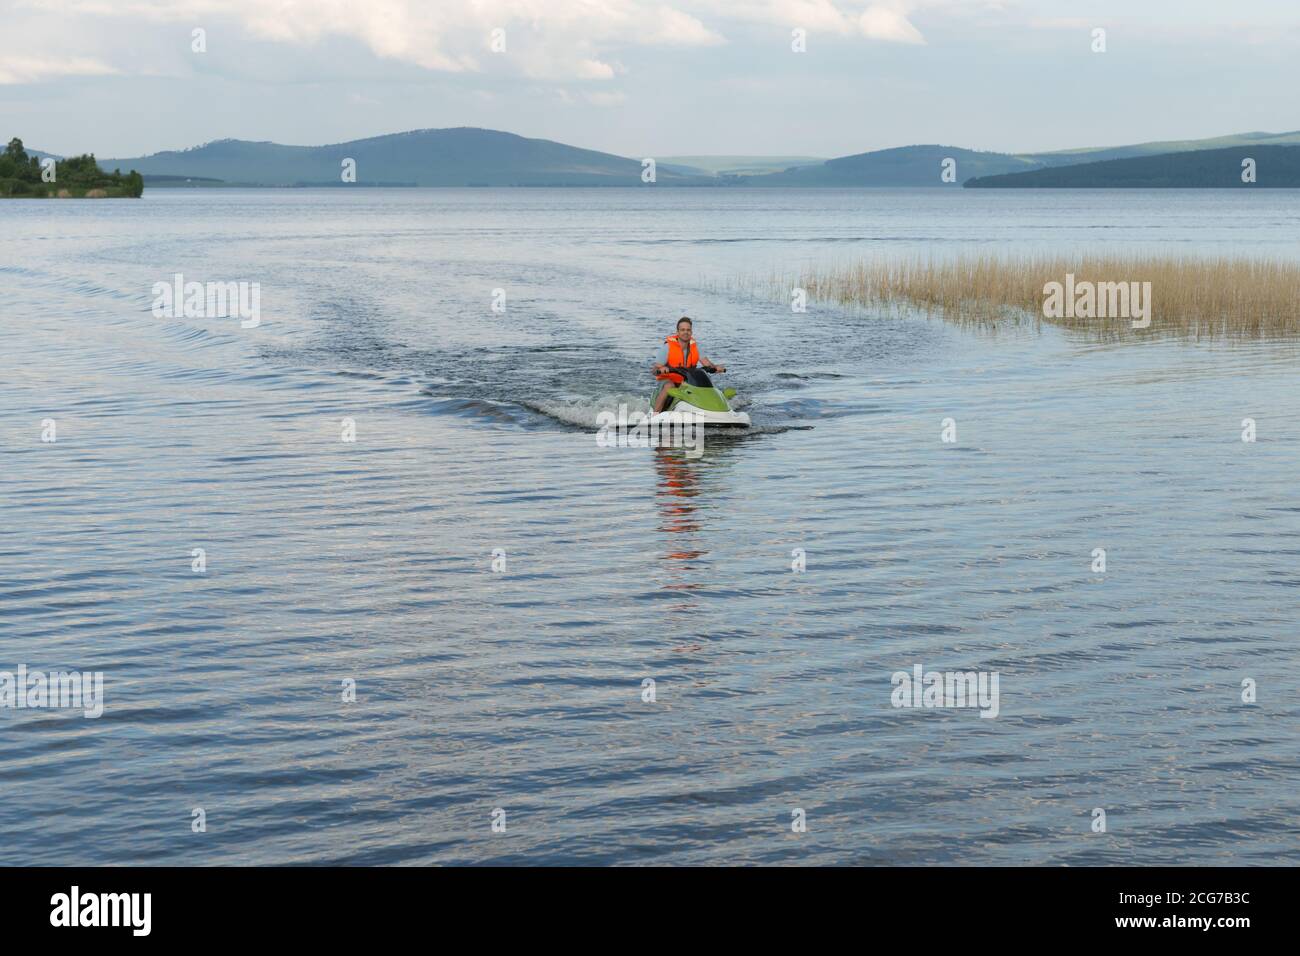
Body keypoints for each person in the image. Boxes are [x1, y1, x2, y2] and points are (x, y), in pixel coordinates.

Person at [652, 316, 726, 413]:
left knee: (706, 385)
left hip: (687, 381)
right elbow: (654, 369)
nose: (685, 332)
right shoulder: (668, 347)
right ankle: (655, 415)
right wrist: (661, 369)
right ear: (678, 332)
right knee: (669, 386)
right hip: (669, 380)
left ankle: (715, 410)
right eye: (682, 330)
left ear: (691, 332)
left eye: (688, 330)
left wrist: (716, 368)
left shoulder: (696, 347)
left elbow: (707, 364)